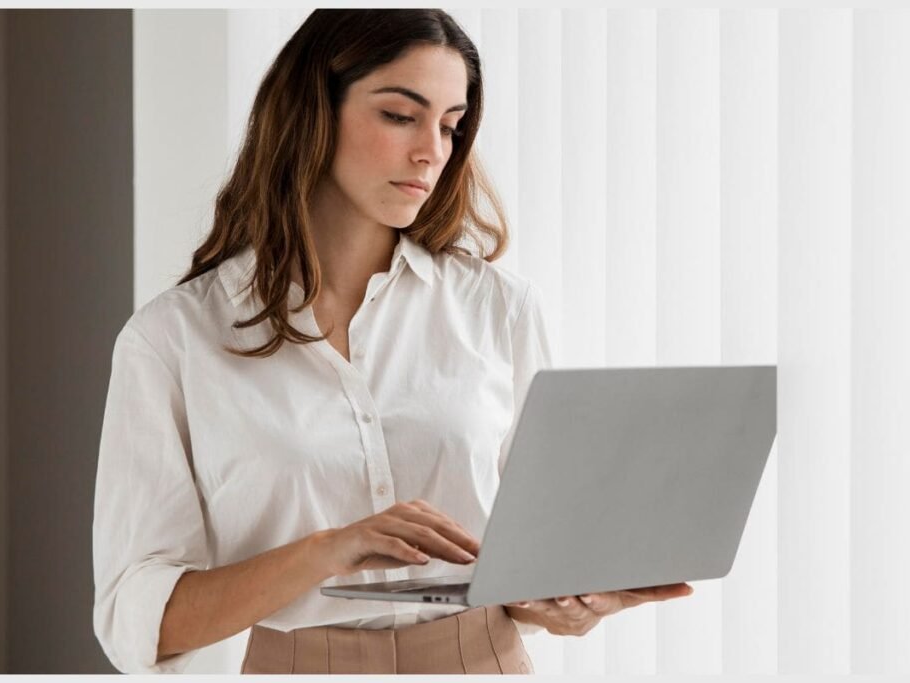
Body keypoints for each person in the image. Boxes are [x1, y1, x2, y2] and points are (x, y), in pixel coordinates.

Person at [92, 8, 692, 675]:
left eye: (450, 124)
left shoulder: (498, 309)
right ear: (312, 111)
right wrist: (325, 550)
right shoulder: (174, 339)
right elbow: (136, 621)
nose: (431, 150)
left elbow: (532, 563)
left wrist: (565, 603)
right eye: (401, 116)